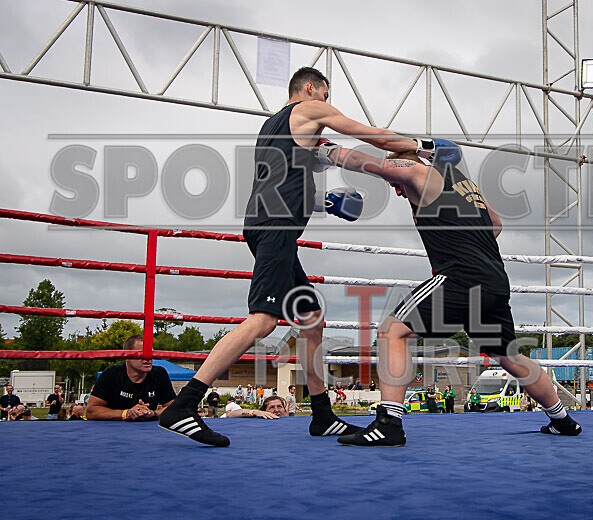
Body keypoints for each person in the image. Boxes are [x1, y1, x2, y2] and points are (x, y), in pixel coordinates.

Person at [159, 66, 445, 447]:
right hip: (276, 228)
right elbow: (367, 133)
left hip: (270, 226)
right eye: (325, 95)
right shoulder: (308, 109)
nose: (327, 104)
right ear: (310, 88)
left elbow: (281, 182)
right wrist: (422, 146)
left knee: (312, 318)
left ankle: (322, 415)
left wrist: (325, 203)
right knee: (263, 321)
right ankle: (184, 404)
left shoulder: (271, 128)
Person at [333, 146, 581, 446]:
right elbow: (496, 223)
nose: (397, 190)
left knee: (392, 332)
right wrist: (467, 244)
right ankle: (562, 420)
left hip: (461, 278)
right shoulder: (464, 185)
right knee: (509, 356)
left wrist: (324, 152)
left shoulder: (420, 173)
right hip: (493, 280)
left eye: (395, 182)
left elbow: (370, 163)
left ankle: (389, 425)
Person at [86, 334, 175, 421]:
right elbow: (91, 411)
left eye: (150, 353)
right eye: (141, 353)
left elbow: (175, 408)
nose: (148, 358)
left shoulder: (159, 373)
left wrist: (153, 414)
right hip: (113, 428)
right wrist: (126, 413)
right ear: (127, 356)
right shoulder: (111, 374)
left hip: (147, 429)